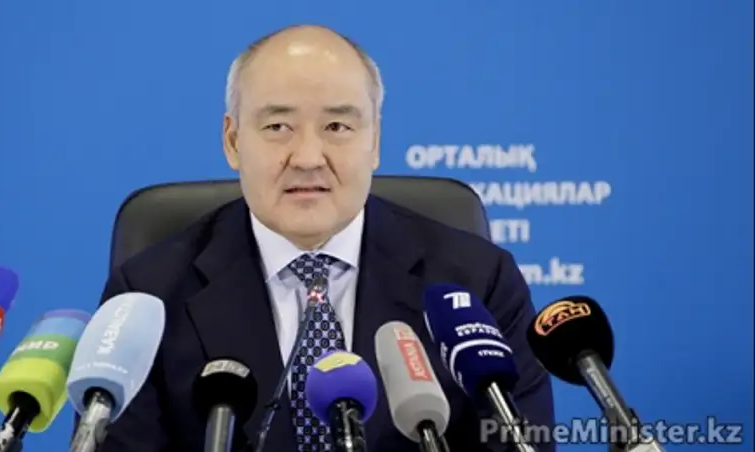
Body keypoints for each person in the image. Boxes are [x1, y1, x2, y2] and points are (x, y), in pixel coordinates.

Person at [89, 24, 556, 452]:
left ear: (374, 141)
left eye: (337, 127)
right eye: (278, 127)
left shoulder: (479, 282)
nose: (308, 157)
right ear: (233, 141)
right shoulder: (149, 295)